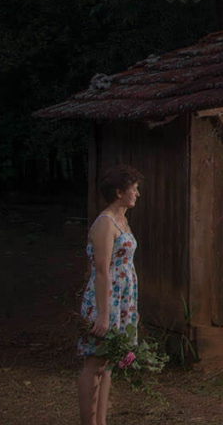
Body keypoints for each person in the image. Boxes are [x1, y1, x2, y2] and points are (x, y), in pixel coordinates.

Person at [78, 164, 141, 425]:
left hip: (122, 300)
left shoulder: (122, 221)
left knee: (108, 364)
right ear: (118, 192)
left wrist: (132, 312)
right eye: (133, 189)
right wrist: (103, 316)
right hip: (106, 300)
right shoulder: (105, 223)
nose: (137, 193)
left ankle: (100, 422)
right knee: (95, 363)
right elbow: (102, 271)